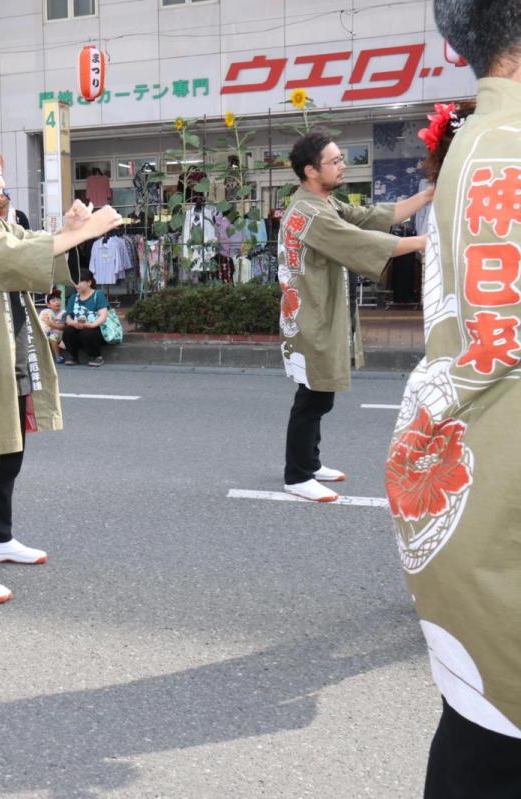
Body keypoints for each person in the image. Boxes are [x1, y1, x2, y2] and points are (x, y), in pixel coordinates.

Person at [390, 2, 521, 792]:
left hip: (474, 472)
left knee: (484, 732)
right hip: (499, 485)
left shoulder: (483, 143)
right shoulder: (506, 148)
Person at [0, 143, 122, 604]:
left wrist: (72, 228)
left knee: (8, 457)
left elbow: (27, 252)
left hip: (8, 354)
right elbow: (17, 258)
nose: (1, 183)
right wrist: (89, 229)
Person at [278, 131, 430, 503]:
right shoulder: (309, 212)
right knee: (312, 398)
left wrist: (427, 195)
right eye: (335, 161)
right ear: (311, 170)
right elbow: (362, 242)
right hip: (312, 316)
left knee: (317, 395)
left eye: (341, 159)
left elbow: (372, 217)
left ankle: (309, 464)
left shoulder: (321, 202)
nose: (343, 166)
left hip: (316, 312)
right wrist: (430, 241)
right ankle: (297, 475)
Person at [62, 273, 108, 366]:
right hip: (78, 328)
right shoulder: (73, 297)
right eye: (74, 282)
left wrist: (91, 325)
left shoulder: (98, 294)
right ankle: (74, 357)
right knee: (68, 331)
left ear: (89, 282)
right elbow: (68, 318)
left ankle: (97, 356)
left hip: (95, 330)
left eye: (79, 282)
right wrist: (74, 323)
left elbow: (103, 316)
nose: (76, 285)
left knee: (87, 332)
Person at [38, 292, 66, 364]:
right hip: (47, 332)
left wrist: (52, 325)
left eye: (58, 300)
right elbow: (43, 323)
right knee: (42, 334)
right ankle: (40, 357)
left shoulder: (64, 313)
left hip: (59, 334)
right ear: (48, 304)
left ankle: (57, 356)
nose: (57, 302)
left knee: (53, 336)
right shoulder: (46, 311)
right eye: (53, 301)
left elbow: (62, 326)